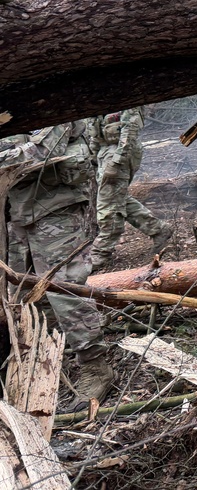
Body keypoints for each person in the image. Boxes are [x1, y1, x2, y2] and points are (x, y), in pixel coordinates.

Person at [1, 122, 114, 411]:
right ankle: (44, 365)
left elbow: (44, 149)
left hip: (55, 208)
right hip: (16, 212)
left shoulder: (50, 103)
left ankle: (95, 367)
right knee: (23, 295)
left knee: (64, 289)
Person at [89, 107, 173, 269]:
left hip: (120, 154)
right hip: (104, 153)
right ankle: (158, 229)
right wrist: (93, 157)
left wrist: (116, 161)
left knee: (110, 204)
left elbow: (130, 132)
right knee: (117, 197)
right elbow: (94, 133)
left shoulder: (126, 98)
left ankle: (101, 252)